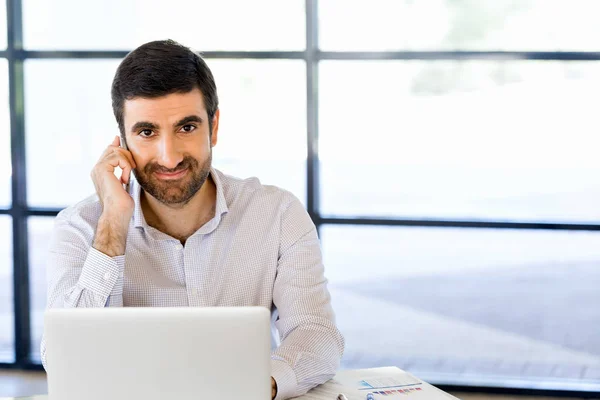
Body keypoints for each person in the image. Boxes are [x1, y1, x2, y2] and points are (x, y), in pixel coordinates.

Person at [42, 39, 344, 400]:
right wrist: (113, 226)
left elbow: (316, 333)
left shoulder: (277, 214)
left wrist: (260, 384)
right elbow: (64, 360)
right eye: (147, 132)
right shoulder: (81, 226)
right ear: (121, 140)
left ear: (213, 127)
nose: (169, 158)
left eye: (186, 128)